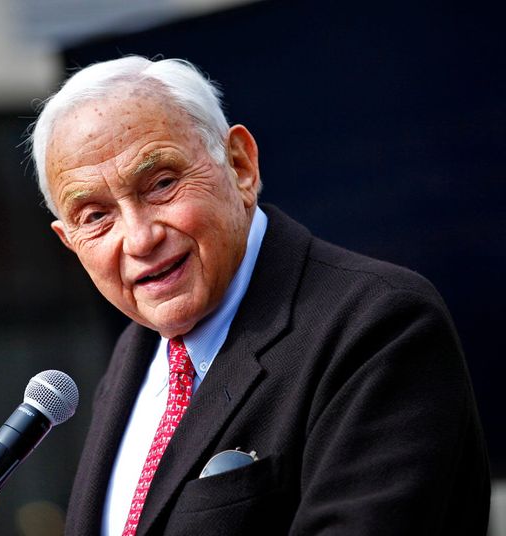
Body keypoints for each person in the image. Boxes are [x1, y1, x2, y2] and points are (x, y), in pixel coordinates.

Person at [28, 56, 490, 535]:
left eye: (162, 184)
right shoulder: (135, 355)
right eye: (96, 216)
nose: (140, 239)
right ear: (70, 242)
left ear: (240, 166)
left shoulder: (379, 323)